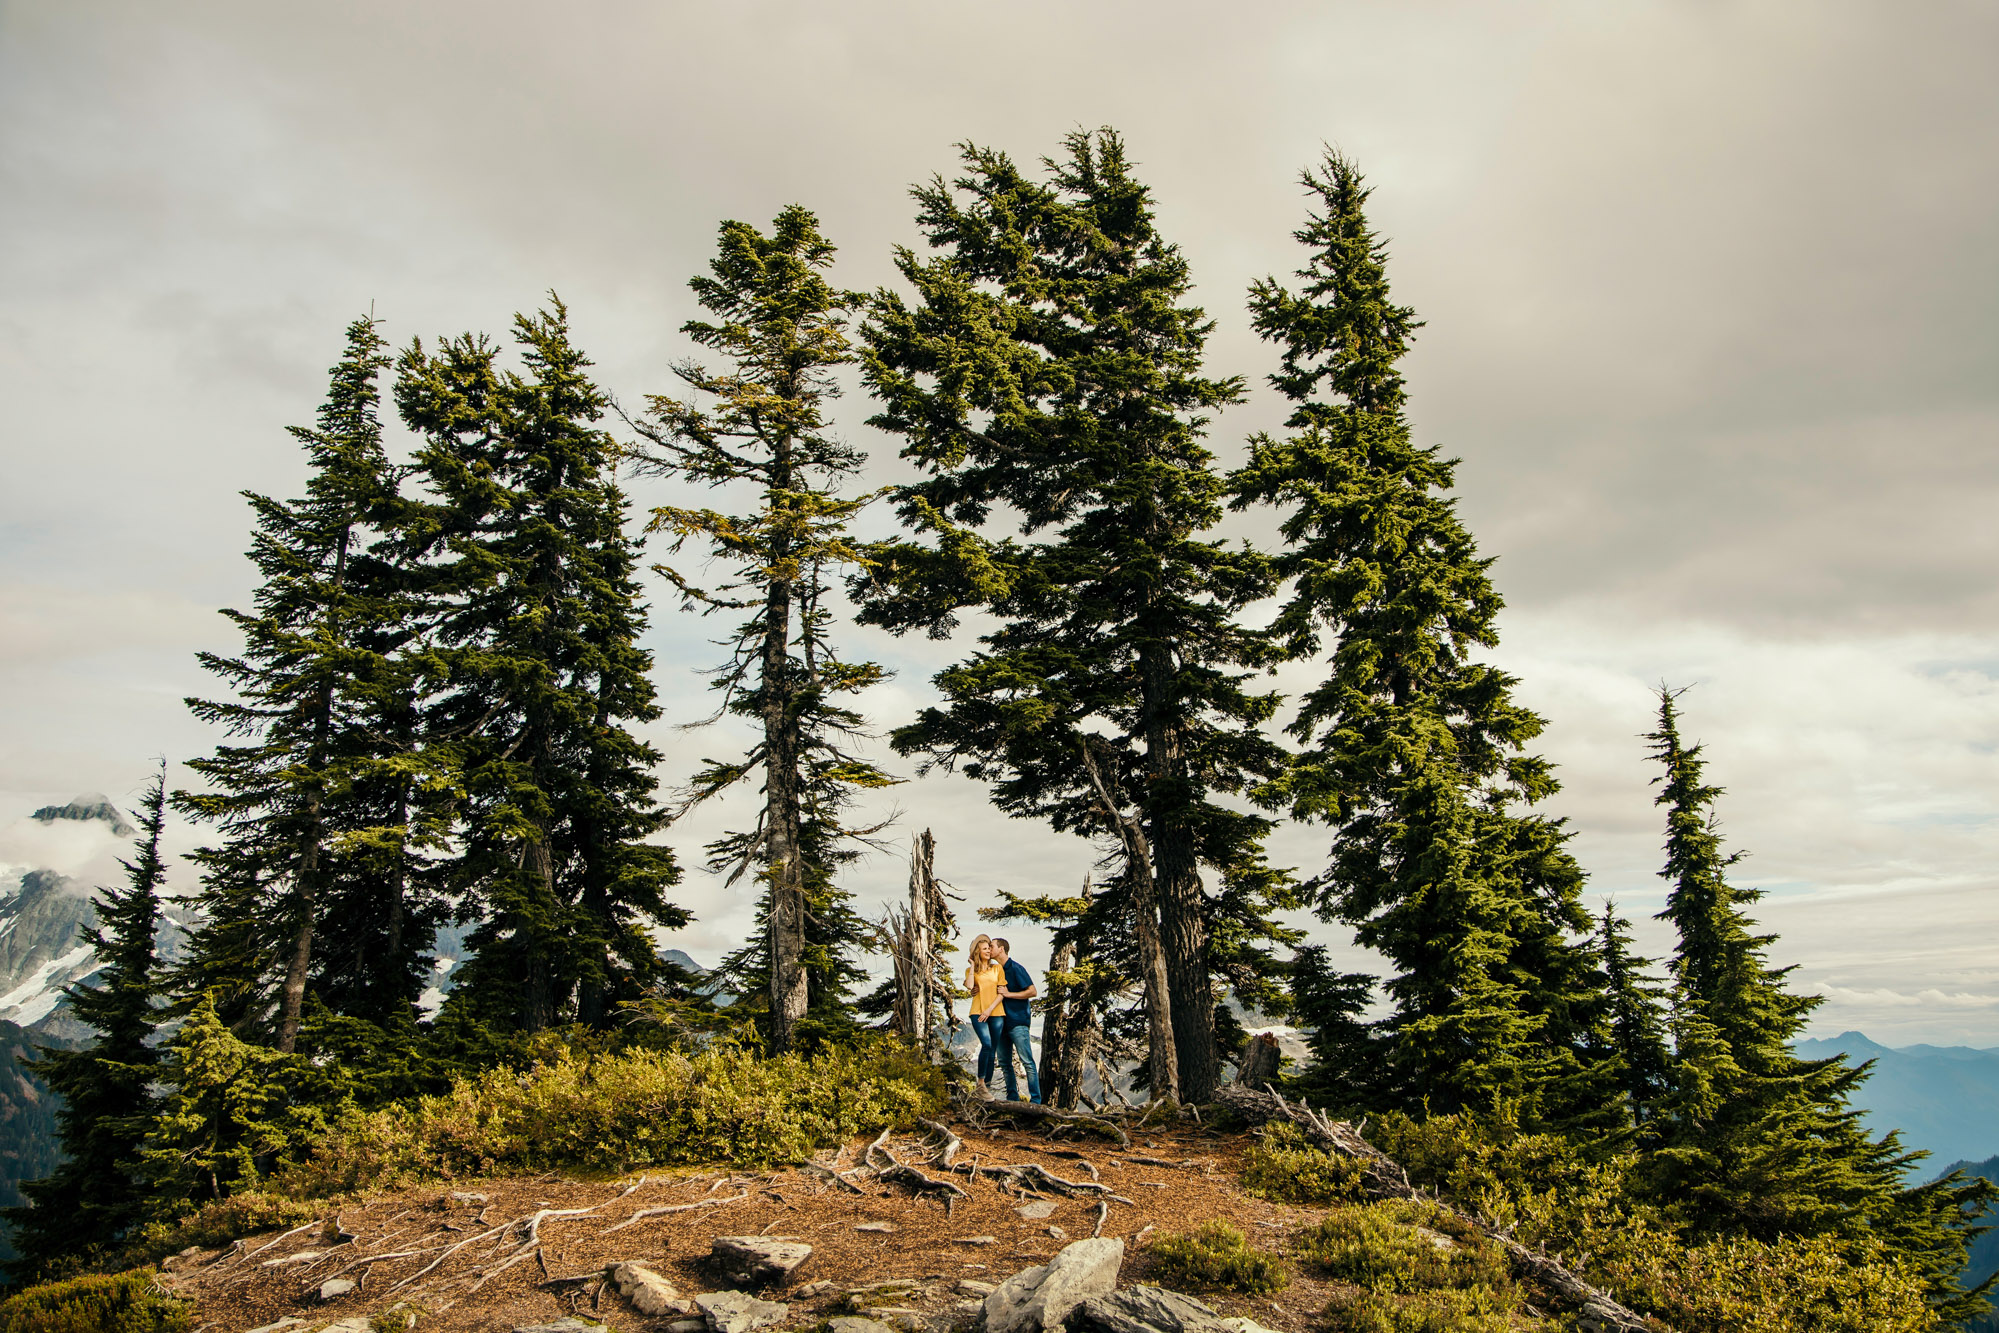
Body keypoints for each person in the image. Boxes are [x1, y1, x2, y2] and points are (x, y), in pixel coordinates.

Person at [991, 937, 1040, 1104]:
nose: (989, 949)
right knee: (1005, 1063)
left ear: (1001, 949)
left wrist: (1009, 994)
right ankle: (1012, 1099)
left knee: (1027, 1061)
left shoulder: (1016, 968)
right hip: (1000, 1022)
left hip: (1018, 1021)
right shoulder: (994, 971)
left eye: (992, 946)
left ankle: (1035, 1101)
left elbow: (1032, 991)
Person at [963, 934, 1005, 1092]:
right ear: (977, 952)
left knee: (992, 1049)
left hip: (996, 1012)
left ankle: (986, 1086)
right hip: (977, 1011)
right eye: (985, 949)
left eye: (989, 948)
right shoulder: (970, 970)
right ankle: (980, 1081)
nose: (988, 951)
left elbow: (1001, 993)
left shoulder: (997, 968)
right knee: (986, 1044)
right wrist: (973, 966)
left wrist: (989, 1010)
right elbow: (969, 985)